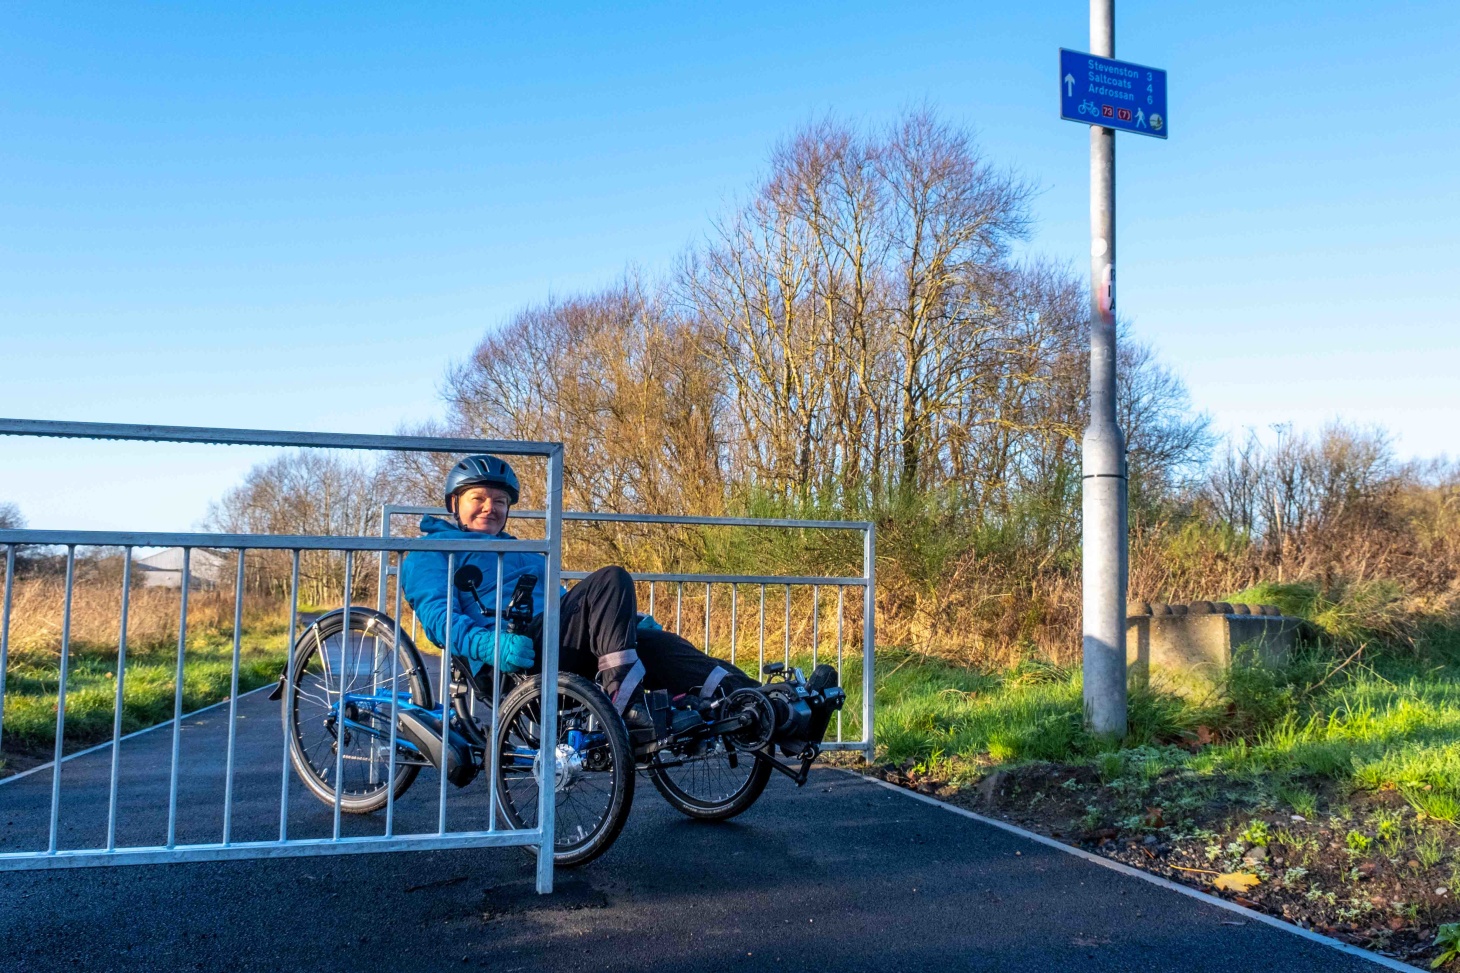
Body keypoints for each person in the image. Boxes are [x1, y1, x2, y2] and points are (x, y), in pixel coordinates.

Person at [399, 454, 756, 741]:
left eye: (500, 501)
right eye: (478, 498)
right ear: (454, 503)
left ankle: (760, 703)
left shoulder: (528, 554)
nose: (489, 508)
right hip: (511, 657)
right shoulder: (432, 550)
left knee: (657, 642)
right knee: (611, 578)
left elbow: (569, 603)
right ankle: (624, 704)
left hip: (562, 646)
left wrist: (629, 621)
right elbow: (437, 618)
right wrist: (487, 644)